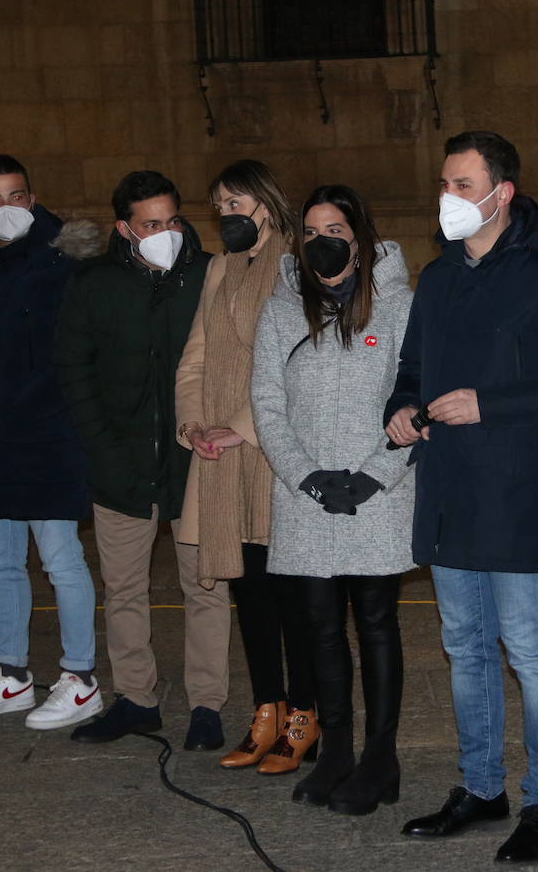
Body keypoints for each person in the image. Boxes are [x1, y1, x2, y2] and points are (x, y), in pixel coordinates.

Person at [385, 130, 538, 864]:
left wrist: (490, 404)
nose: (448, 198)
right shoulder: (438, 279)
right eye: (443, 184)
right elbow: (412, 367)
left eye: (463, 184)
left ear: (501, 193)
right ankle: (481, 787)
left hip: (512, 492)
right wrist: (402, 406)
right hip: (447, 490)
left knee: (531, 651)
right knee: (465, 649)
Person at [251, 184, 416, 815]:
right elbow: (267, 405)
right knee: (320, 628)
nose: (324, 242)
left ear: (360, 237)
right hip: (307, 499)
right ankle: (338, 751)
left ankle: (381, 757)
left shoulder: (399, 304)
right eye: (313, 232)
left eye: (336, 231)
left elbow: (416, 398)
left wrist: (376, 474)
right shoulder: (280, 311)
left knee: (376, 623)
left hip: (378, 495)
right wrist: (305, 477)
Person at [55, 170, 225, 751]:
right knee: (123, 588)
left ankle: (207, 704)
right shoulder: (93, 283)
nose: (166, 232)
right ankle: (135, 699)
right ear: (125, 228)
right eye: (151, 224)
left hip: (194, 463)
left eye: (173, 220)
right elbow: (74, 370)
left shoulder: (209, 277)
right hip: (121, 465)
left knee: (205, 586)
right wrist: (102, 446)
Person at [0, 154, 102, 730]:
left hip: (48, 440)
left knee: (61, 560)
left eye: (17, 196)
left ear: (32, 199)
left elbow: (85, 351)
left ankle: (80, 679)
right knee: (0, 562)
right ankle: (12, 674)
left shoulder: (65, 264)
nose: (7, 209)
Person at [174, 160, 317, 773]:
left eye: (237, 203)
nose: (228, 215)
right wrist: (194, 427)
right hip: (225, 461)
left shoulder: (299, 264)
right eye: (220, 206)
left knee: (294, 595)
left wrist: (237, 428)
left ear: (267, 202)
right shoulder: (219, 268)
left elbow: (300, 364)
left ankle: (308, 715)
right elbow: (195, 358)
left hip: (275, 454)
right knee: (249, 590)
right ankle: (268, 709)